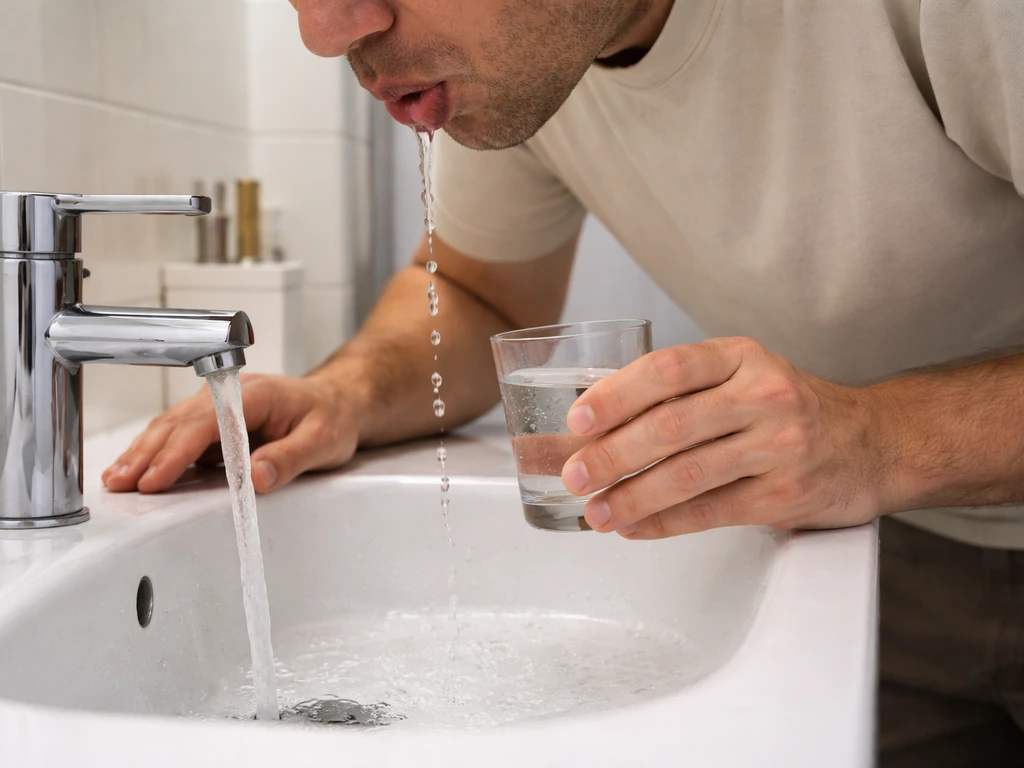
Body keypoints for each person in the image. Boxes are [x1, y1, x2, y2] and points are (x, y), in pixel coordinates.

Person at [104, 1, 1024, 764]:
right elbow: (473, 290)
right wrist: (344, 394)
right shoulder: (531, 62)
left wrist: (881, 438)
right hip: (877, 558)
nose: (328, 28)